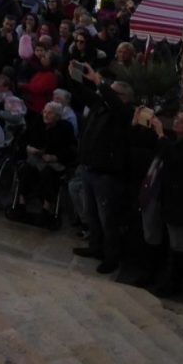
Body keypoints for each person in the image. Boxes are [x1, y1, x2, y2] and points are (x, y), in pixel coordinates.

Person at [71, 63, 135, 275]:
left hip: (107, 174)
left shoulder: (124, 112)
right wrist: (76, 77)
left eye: (113, 90)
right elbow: (81, 93)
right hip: (90, 168)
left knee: (108, 219)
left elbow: (115, 104)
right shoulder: (101, 106)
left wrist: (100, 81)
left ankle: (111, 257)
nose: (105, 92)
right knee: (92, 215)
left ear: (124, 96)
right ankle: (95, 247)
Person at [136, 109, 183, 296]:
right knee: (152, 235)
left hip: (177, 200)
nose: (176, 122)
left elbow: (176, 162)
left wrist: (162, 135)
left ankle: (175, 284)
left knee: (178, 243)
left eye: (181, 120)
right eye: (176, 118)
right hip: (158, 194)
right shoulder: (171, 140)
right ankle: (150, 273)